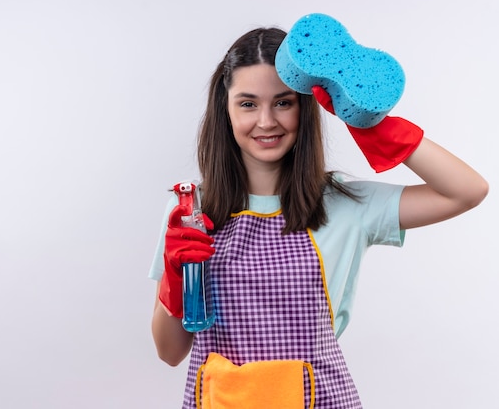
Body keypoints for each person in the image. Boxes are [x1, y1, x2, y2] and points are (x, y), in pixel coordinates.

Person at [148, 27, 488, 408]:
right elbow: (170, 352)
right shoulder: (191, 211)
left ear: (305, 107)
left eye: (283, 103)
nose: (265, 122)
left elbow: (466, 190)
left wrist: (371, 122)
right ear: (224, 109)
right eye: (247, 104)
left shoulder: (345, 203)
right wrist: (174, 282)